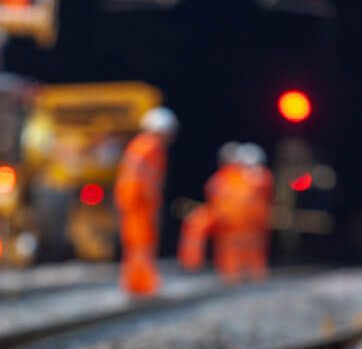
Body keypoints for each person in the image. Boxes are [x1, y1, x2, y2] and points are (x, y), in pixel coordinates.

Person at [179, 143, 273, 282]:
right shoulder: (228, 177)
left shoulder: (256, 177)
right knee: (232, 251)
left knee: (250, 251)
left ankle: (250, 275)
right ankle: (197, 266)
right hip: (231, 222)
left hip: (248, 223)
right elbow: (214, 193)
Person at [114, 106, 178, 296]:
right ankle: (142, 284)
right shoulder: (148, 147)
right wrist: (147, 201)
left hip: (135, 203)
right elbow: (143, 180)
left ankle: (136, 283)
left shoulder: (142, 146)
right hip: (138, 204)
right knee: (141, 244)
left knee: (137, 245)